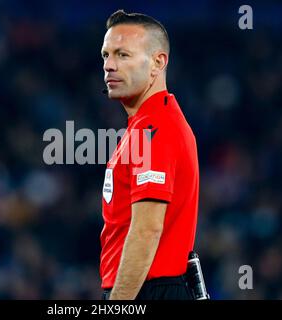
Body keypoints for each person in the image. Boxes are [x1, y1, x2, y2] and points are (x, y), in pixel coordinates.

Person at [99, 9, 200, 300]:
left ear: (158, 62)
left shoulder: (154, 129)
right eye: (106, 55)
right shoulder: (146, 126)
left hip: (149, 290)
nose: (109, 66)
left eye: (123, 55)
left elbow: (146, 231)